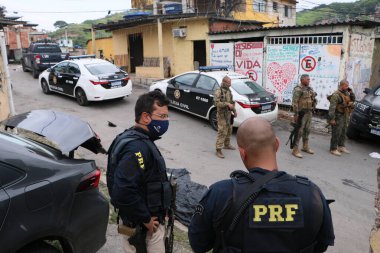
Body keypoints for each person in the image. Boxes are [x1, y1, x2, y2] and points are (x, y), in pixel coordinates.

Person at [188, 117, 335, 253]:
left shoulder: (221, 192)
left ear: (242, 153)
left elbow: (198, 244)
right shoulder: (312, 193)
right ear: (277, 144)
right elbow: (321, 245)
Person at [108, 91, 172, 253]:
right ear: (145, 117)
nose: (166, 121)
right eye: (162, 117)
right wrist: (146, 219)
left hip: (141, 224)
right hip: (144, 229)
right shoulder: (136, 148)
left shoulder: (135, 138)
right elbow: (123, 191)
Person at [291, 74, 317, 158]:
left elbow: (313, 99)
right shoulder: (298, 89)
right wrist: (296, 114)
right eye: (307, 79)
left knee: (307, 130)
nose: (309, 81)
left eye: (309, 79)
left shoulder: (310, 89)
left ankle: (305, 147)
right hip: (301, 113)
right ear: (302, 80)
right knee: (299, 131)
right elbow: (295, 102)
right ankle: (295, 149)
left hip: (309, 112)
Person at [328, 80, 355, 156]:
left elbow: (353, 99)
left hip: (345, 115)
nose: (347, 87)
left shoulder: (346, 93)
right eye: (346, 86)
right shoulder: (336, 95)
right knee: (336, 132)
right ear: (342, 85)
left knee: (343, 131)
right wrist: (332, 119)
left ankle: (341, 146)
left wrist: (351, 92)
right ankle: (333, 148)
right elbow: (332, 108)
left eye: (348, 86)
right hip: (338, 116)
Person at [214, 76, 237, 159]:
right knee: (222, 132)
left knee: (229, 130)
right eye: (228, 83)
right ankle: (218, 150)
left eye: (230, 83)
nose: (230, 85)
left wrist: (234, 111)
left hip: (228, 114)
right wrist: (227, 104)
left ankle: (227, 145)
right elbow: (216, 103)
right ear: (224, 82)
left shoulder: (228, 91)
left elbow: (231, 102)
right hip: (221, 115)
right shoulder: (218, 91)